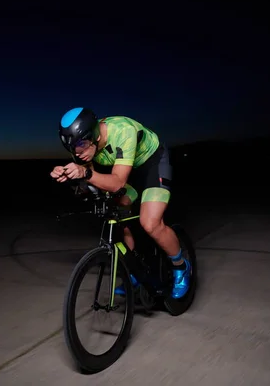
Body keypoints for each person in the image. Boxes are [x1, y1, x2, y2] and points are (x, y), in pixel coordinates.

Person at [50, 107, 191, 299]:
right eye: (72, 147)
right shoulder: (82, 145)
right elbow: (87, 187)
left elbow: (115, 183)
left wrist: (85, 173)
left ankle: (180, 266)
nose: (77, 152)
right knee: (118, 213)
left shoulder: (123, 131)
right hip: (125, 169)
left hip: (152, 164)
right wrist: (70, 177)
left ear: (95, 135)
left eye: (81, 145)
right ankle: (135, 272)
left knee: (150, 223)